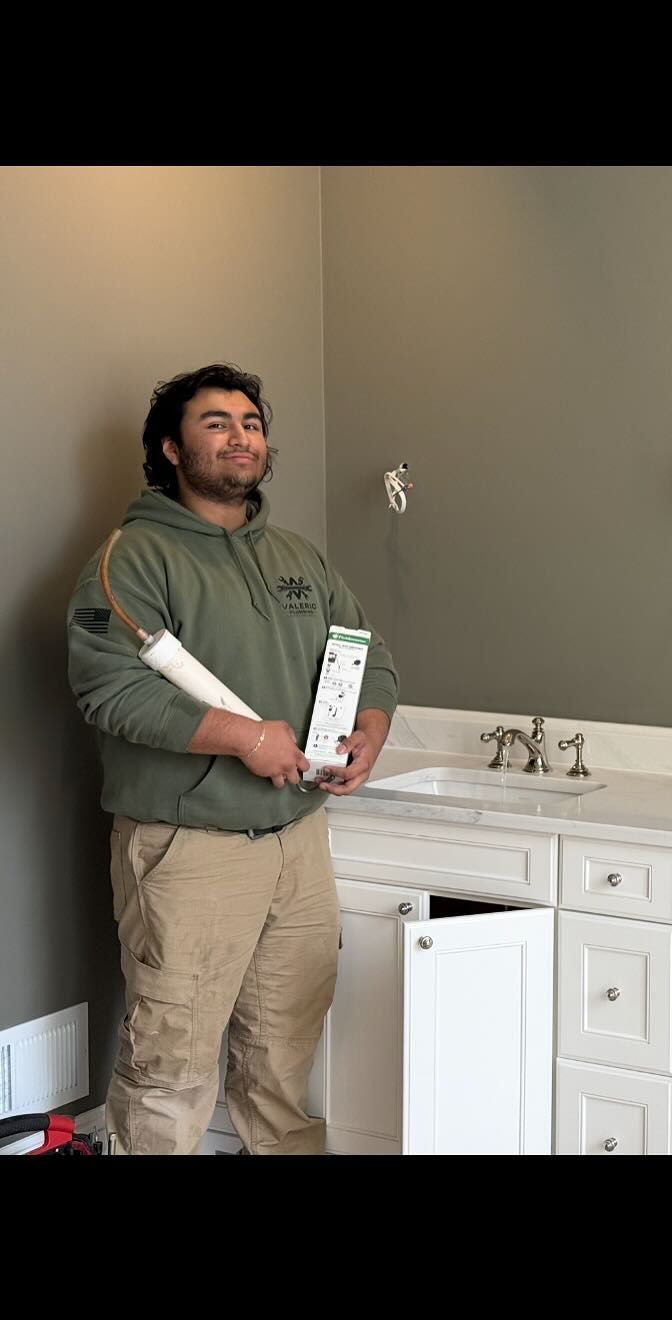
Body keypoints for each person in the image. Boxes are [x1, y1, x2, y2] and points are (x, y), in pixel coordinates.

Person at [66, 363, 398, 1155]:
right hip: (189, 850)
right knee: (169, 1068)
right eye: (215, 422)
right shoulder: (132, 558)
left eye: (250, 422)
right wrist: (245, 738)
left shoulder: (297, 557)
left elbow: (364, 650)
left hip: (298, 845)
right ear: (171, 449)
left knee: (283, 1059)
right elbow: (108, 688)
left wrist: (371, 728)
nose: (240, 435)